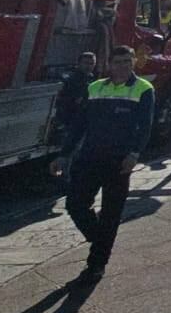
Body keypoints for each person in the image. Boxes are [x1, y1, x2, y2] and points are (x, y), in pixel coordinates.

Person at [52, 45, 153, 284]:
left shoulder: (143, 89)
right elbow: (80, 124)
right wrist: (64, 154)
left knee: (111, 213)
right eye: (118, 62)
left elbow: (145, 126)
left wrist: (134, 154)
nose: (123, 66)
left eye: (128, 61)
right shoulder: (95, 87)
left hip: (119, 162)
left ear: (133, 63)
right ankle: (100, 240)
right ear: (109, 63)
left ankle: (96, 264)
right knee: (75, 205)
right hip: (89, 157)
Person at [54, 51, 96, 139]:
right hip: (68, 118)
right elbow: (62, 101)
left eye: (91, 64)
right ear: (79, 63)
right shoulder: (71, 79)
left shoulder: (91, 79)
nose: (88, 66)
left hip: (81, 118)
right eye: (86, 63)